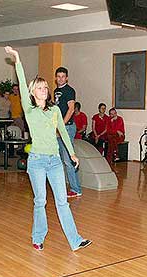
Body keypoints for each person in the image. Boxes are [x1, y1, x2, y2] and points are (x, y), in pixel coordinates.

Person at [5, 46, 91, 252]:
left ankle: (75, 240)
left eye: (46, 87)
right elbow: (21, 82)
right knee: (40, 201)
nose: (45, 90)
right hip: (37, 161)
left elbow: (62, 130)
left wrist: (71, 153)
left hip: (54, 161)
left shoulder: (54, 110)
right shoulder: (29, 109)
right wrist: (17, 59)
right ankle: (38, 236)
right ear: (33, 92)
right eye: (41, 88)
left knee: (63, 202)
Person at [54, 66, 82, 198]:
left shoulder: (70, 91)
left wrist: (61, 126)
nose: (60, 79)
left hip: (67, 127)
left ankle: (76, 189)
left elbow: (71, 110)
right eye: (58, 76)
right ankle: (65, 185)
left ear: (67, 78)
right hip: (59, 128)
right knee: (59, 159)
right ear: (56, 78)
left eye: (63, 77)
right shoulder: (55, 91)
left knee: (68, 159)